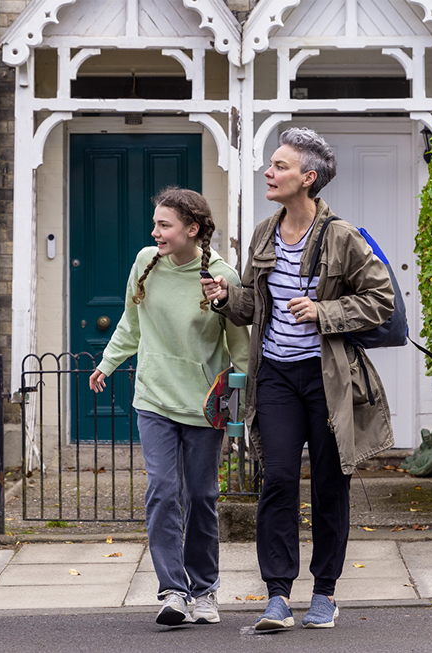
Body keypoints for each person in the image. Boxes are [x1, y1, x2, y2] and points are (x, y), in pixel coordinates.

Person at [201, 128, 395, 630]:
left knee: (331, 485)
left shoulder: (342, 237)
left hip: (329, 380)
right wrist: (226, 297)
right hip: (277, 378)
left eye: (280, 166)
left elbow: (381, 301)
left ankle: (326, 592)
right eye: (271, 164)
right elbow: (251, 307)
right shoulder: (265, 233)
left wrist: (323, 310)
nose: (270, 171)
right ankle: (278, 595)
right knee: (279, 480)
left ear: (307, 178)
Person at [89, 187, 250, 627]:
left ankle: (205, 591)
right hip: (154, 398)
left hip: (202, 404)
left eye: (165, 225)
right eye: (156, 223)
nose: (155, 232)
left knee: (201, 497)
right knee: (162, 491)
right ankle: (173, 591)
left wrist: (252, 395)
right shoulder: (146, 263)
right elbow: (131, 320)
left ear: (192, 229)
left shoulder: (222, 277)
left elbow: (239, 345)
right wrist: (108, 362)